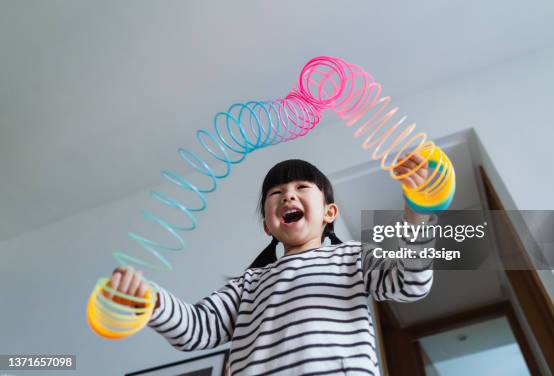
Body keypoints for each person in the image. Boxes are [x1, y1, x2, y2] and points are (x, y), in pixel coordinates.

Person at [109, 156, 437, 375]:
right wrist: (150, 302)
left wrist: (417, 215)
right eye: (276, 193)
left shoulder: (352, 257)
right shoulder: (249, 283)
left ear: (329, 213)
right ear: (268, 225)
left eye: (301, 188)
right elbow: (196, 329)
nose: (287, 197)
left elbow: (411, 283)